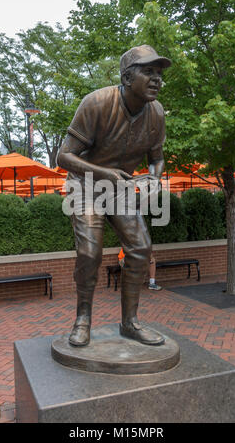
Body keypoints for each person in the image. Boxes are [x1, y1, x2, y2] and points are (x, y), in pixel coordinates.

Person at [57, 44, 171, 347]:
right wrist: (105, 173)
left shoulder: (156, 113)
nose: (157, 79)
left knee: (141, 247)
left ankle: (130, 323)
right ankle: (83, 319)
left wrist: (155, 179)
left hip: (118, 190)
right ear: (126, 77)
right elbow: (63, 157)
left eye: (159, 74)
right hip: (84, 186)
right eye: (148, 72)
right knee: (90, 253)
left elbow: (157, 158)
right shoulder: (96, 103)